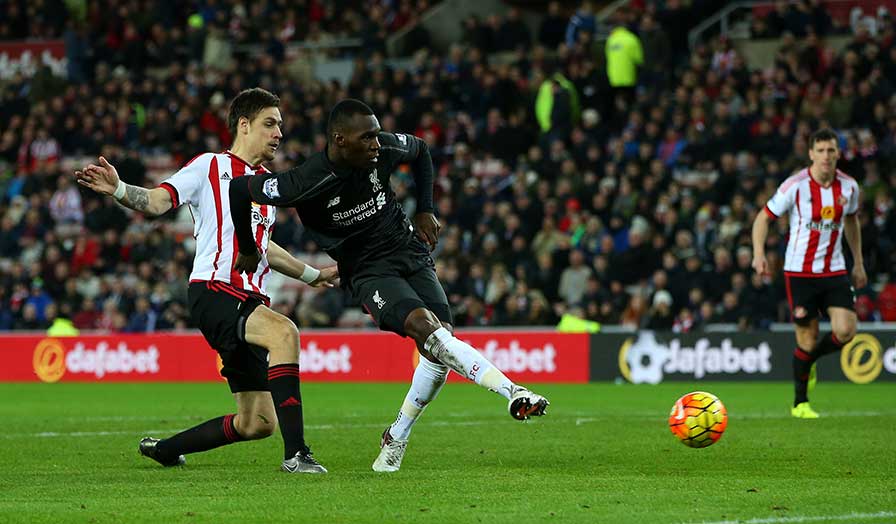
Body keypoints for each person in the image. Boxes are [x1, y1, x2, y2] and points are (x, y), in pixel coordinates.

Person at [229, 99, 549, 472]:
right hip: (367, 270)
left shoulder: (382, 150)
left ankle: (396, 437)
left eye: (378, 135)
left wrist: (426, 208)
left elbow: (422, 151)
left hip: (408, 251)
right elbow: (239, 190)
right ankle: (513, 391)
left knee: (439, 346)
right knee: (427, 330)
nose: (377, 145)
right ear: (340, 140)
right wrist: (249, 249)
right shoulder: (304, 181)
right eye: (367, 138)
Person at [74, 88, 337, 472]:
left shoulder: (266, 184)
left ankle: (165, 449)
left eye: (280, 124)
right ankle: (297, 456)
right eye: (270, 123)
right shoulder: (209, 166)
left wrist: (313, 275)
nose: (279, 133)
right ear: (243, 126)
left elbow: (264, 247)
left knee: (257, 423)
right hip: (215, 291)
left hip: (249, 301)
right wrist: (118, 189)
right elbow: (159, 202)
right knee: (285, 334)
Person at [751, 128, 866, 419]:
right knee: (807, 339)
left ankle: (807, 360)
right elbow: (763, 218)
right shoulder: (795, 186)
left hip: (835, 269)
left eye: (831, 150)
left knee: (846, 331)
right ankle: (800, 403)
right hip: (799, 273)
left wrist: (859, 262)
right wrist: (759, 253)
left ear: (838, 153)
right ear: (811, 154)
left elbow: (852, 222)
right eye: (821, 150)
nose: (826, 156)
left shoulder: (849, 187)